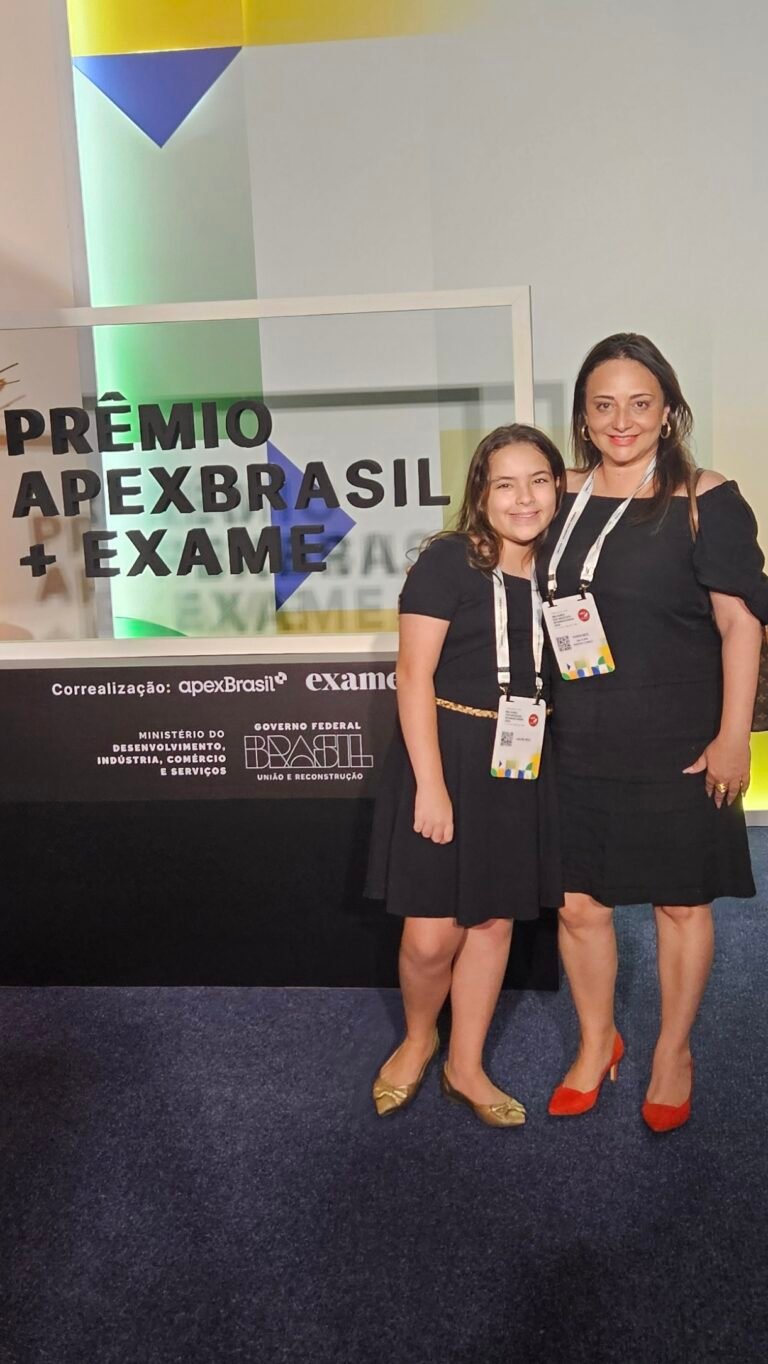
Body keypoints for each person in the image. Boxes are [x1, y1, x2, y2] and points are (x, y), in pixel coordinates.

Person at [537, 333, 767, 1131]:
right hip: (575, 736)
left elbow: (741, 626)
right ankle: (597, 1039)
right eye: (603, 405)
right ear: (582, 416)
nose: (621, 420)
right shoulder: (557, 494)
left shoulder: (706, 497)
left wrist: (735, 738)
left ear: (668, 410)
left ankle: (673, 1051)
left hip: (678, 739)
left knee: (681, 903)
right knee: (577, 905)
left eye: (640, 403)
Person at [366, 424, 565, 1127]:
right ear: (481, 494)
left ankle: (467, 1064)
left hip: (523, 759)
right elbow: (412, 675)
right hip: (447, 755)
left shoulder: (565, 568)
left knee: (491, 923)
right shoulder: (448, 561)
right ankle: (419, 1040)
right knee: (430, 937)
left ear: (559, 486)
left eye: (538, 481)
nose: (524, 498)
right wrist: (431, 785)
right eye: (505, 483)